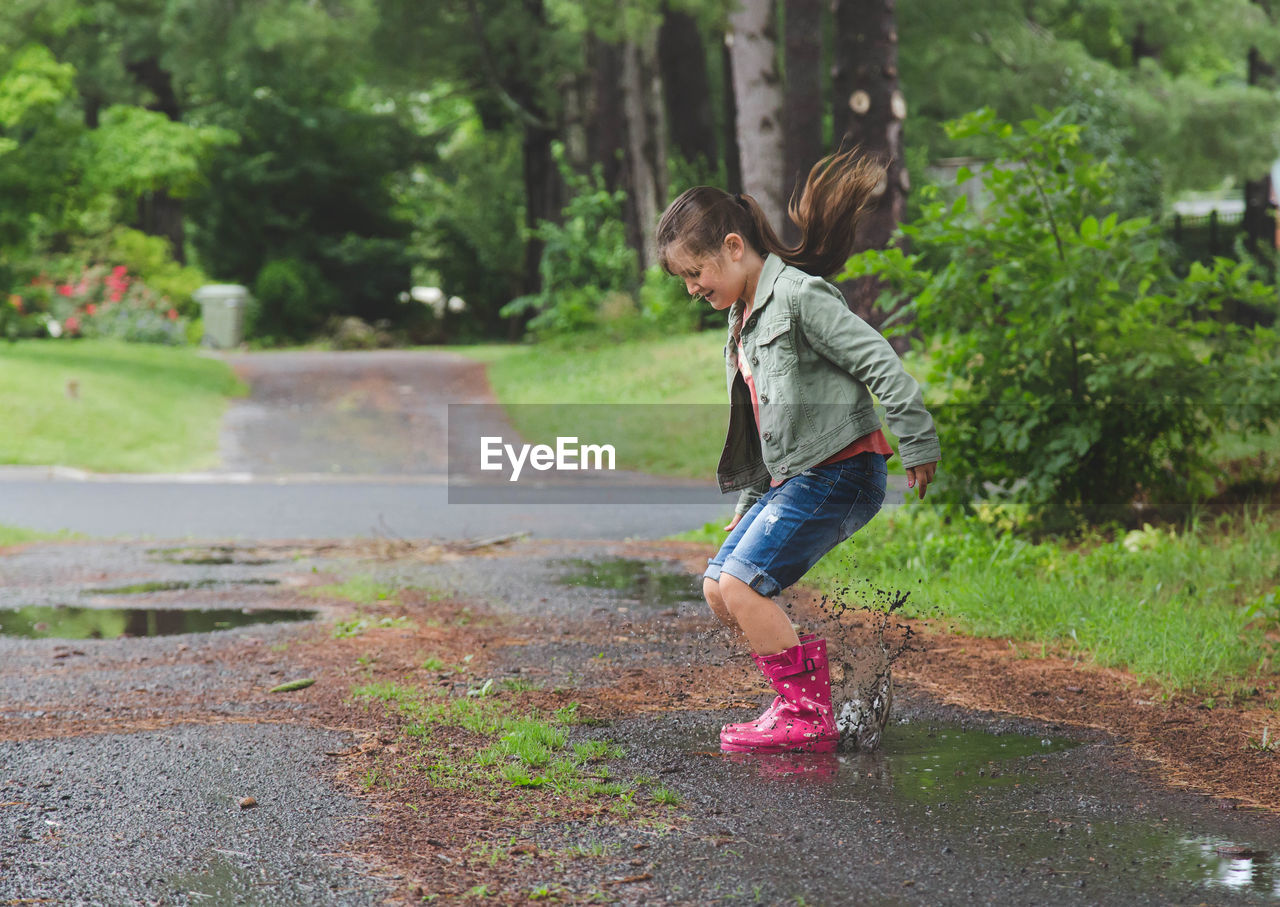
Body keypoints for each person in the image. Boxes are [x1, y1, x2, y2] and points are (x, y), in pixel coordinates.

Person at [655, 150, 940, 754]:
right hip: (795, 478)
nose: (691, 288)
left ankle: (805, 715)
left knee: (743, 586)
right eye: (683, 279)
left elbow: (879, 361)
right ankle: (804, 700)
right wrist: (753, 501)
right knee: (718, 589)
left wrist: (916, 441)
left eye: (694, 271)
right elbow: (763, 427)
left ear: (734, 247)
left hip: (842, 468)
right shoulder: (740, 323)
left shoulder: (800, 296)